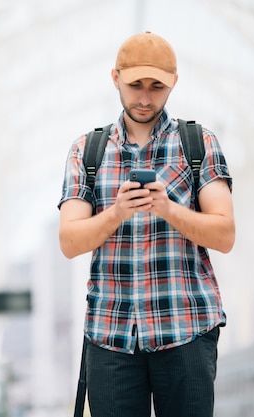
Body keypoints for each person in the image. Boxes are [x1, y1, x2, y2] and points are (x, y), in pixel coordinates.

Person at [58, 31, 235, 417]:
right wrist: (117, 212)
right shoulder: (87, 151)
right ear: (115, 78)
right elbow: (70, 241)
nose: (144, 97)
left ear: (173, 83)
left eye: (157, 87)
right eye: (135, 84)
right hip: (111, 337)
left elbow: (225, 234)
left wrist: (169, 209)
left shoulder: (198, 144)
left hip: (186, 328)